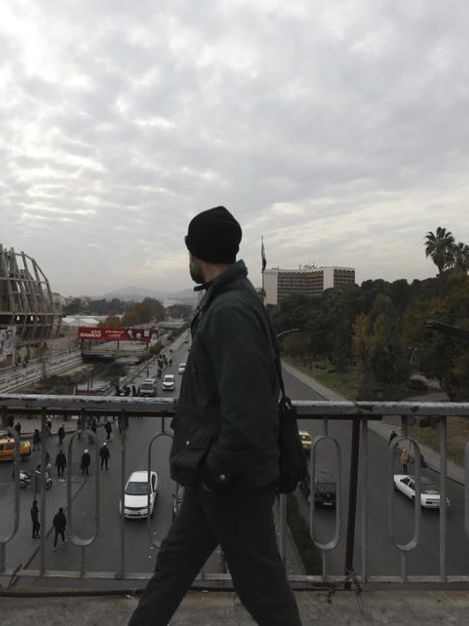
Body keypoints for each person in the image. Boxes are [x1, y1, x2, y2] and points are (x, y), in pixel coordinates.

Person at [129, 206, 301, 625]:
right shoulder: (231, 300)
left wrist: (214, 471)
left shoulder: (229, 311)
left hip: (232, 482)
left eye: (189, 250)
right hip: (216, 476)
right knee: (172, 569)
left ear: (198, 253)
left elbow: (248, 415)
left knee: (264, 592)